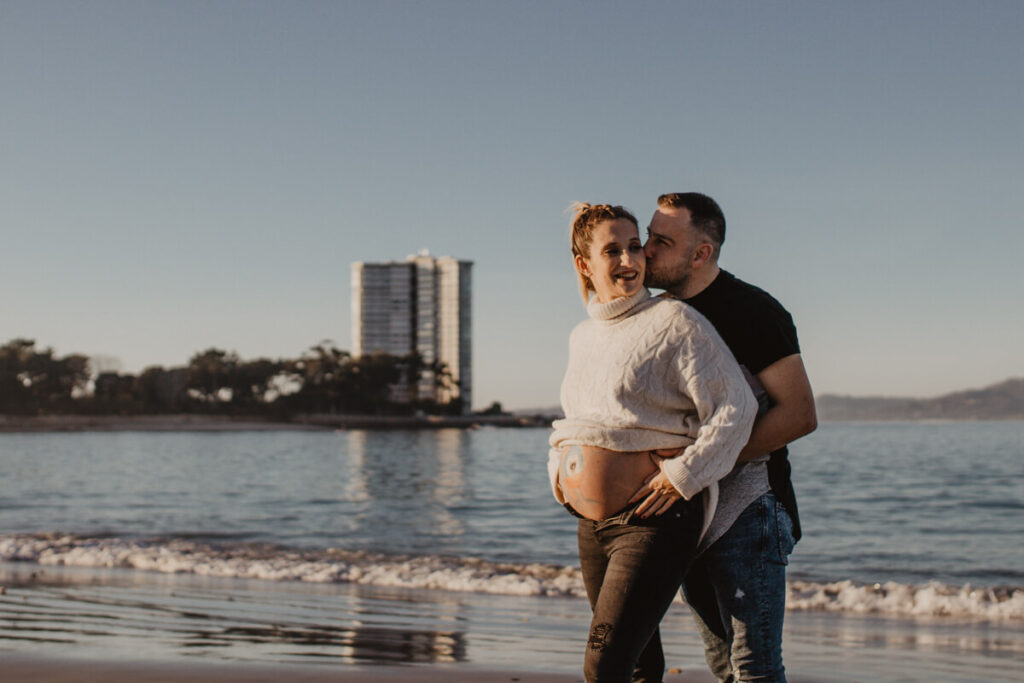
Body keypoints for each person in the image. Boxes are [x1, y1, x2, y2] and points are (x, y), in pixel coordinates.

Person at [548, 202, 758, 682]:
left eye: (635, 246)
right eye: (612, 250)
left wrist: (682, 475)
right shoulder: (582, 336)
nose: (628, 260)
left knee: (604, 665)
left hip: (654, 519)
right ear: (584, 264)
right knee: (639, 665)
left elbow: (736, 408)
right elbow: (574, 420)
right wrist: (559, 471)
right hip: (592, 525)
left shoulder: (674, 322)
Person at [637, 192, 817, 683]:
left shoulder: (753, 310)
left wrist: (699, 465)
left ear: (701, 253)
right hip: (689, 509)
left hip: (748, 509)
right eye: (649, 237)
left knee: (754, 670)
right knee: (723, 668)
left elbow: (799, 415)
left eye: (661, 241)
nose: (645, 250)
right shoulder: (655, 315)